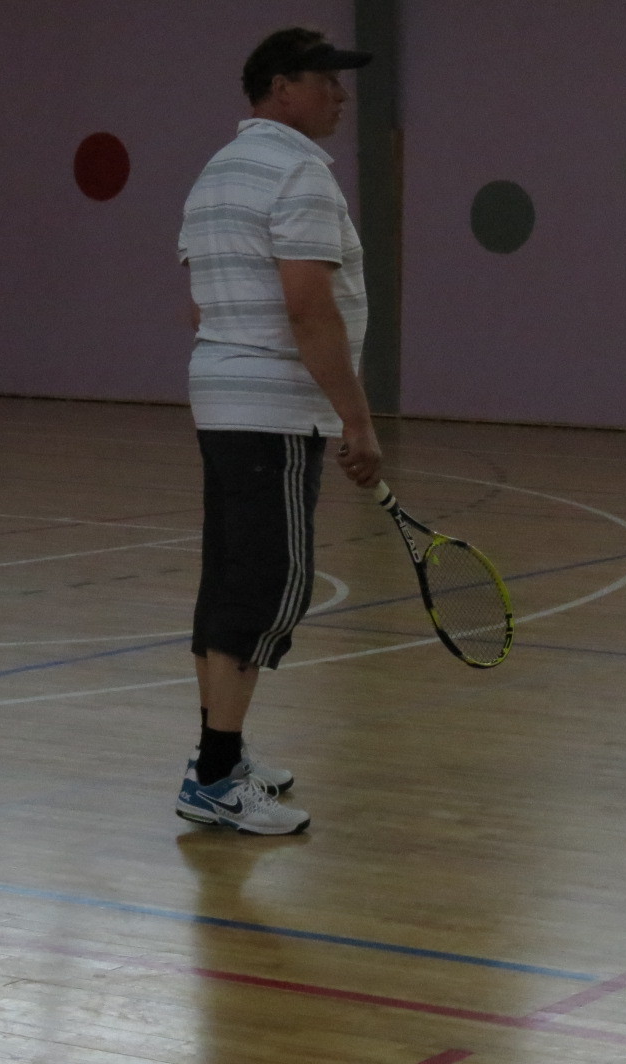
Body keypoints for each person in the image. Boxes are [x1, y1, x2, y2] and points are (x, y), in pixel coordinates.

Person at [173, 27, 384, 835]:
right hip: (273, 408)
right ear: (283, 87)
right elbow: (307, 306)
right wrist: (356, 419)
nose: (341, 95)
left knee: (228, 578)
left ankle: (218, 758)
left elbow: (200, 304)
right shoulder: (299, 173)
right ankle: (215, 780)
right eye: (328, 80)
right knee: (266, 586)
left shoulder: (216, 173)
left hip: (222, 397)